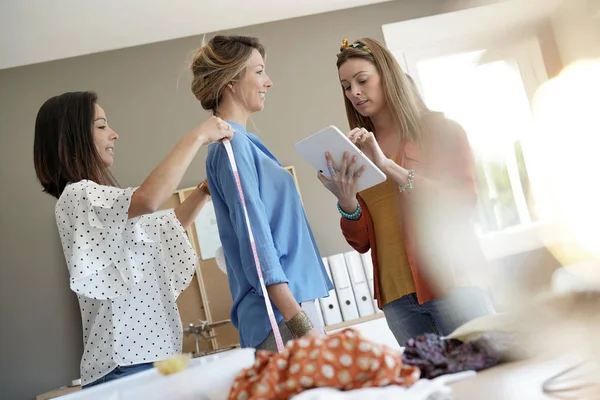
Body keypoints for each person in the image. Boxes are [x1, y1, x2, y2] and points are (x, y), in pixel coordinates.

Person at [33, 91, 233, 387]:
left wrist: (204, 189)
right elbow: (150, 199)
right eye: (101, 126)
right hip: (124, 365)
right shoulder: (78, 196)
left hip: (147, 361)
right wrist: (198, 135)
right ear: (72, 138)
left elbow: (170, 224)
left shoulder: (107, 209)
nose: (114, 135)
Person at [317, 38, 495, 346]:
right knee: (432, 393)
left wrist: (389, 166)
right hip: (398, 301)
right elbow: (361, 242)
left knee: (489, 385)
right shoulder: (355, 152)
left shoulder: (442, 131)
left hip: (454, 284)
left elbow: (461, 204)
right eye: (346, 86)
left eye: (362, 80)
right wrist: (346, 201)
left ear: (388, 75)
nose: (354, 93)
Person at [189, 35, 333, 351]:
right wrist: (300, 324)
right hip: (282, 317)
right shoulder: (232, 145)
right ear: (230, 82)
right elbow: (256, 243)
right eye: (259, 71)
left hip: (289, 309)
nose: (269, 82)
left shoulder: (242, 143)